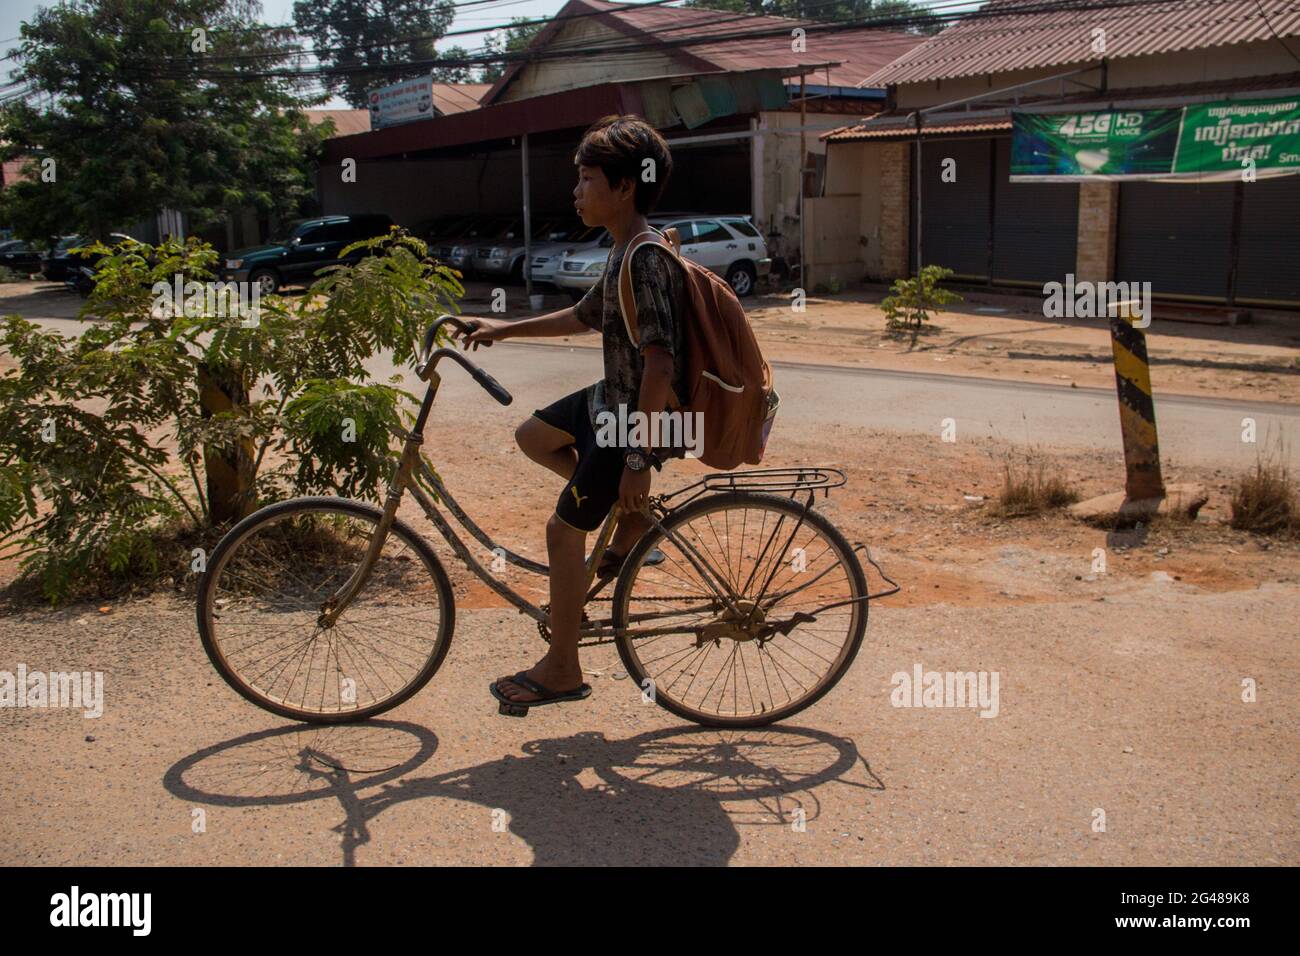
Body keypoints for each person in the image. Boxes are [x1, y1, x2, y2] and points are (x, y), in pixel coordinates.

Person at [455, 115, 690, 710]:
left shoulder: (645, 258)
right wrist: (502, 330)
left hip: (634, 417)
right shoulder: (621, 251)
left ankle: (562, 668)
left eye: (587, 180)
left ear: (625, 187)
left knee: (564, 532)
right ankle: (631, 520)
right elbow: (583, 316)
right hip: (607, 400)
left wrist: (637, 458)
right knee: (534, 435)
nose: (576, 192)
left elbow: (661, 367)